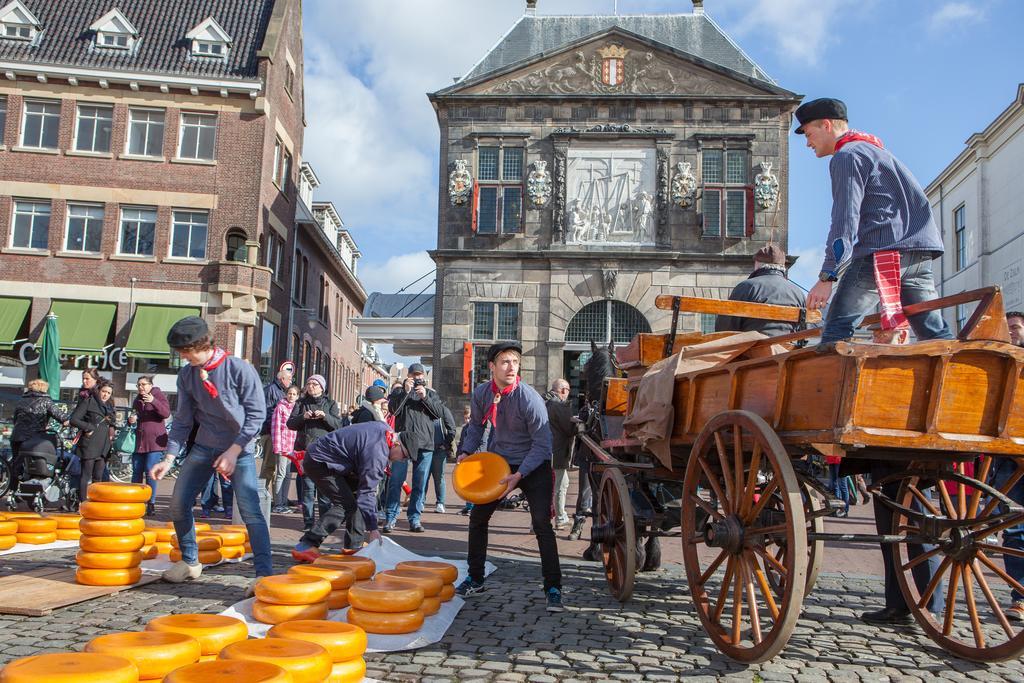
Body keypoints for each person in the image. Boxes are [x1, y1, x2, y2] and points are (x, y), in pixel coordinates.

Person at [797, 98, 954, 351]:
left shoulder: (847, 156)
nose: (807, 142)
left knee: (837, 328)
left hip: (883, 252)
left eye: (808, 133)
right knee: (934, 332)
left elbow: (845, 221)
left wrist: (828, 275)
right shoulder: (879, 152)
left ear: (826, 125)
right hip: (920, 253)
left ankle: (826, 389)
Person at [150, 316, 271, 589]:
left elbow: (256, 416)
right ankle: (191, 562)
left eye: (184, 351)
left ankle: (264, 574)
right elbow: (182, 421)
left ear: (198, 345)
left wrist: (234, 450)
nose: (181, 356)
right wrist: (168, 458)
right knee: (179, 503)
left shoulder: (238, 369)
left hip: (240, 449)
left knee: (251, 510)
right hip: (205, 445)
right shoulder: (187, 375)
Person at [455, 341, 564, 611]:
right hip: (499, 462)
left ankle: (553, 586)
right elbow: (476, 428)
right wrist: (466, 452)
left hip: (533, 463)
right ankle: (476, 578)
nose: (511, 367)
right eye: (505, 362)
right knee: (478, 518)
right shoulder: (481, 393)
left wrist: (520, 475)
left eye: (515, 362)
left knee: (541, 524)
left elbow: (543, 445)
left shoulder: (529, 399)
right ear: (492, 367)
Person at [291, 422, 410, 561]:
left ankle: (354, 545)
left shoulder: (385, 431)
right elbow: (367, 493)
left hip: (332, 460)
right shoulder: (377, 454)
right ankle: (307, 544)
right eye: (404, 456)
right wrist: (373, 529)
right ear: (396, 444)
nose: (401, 460)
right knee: (345, 505)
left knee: (356, 498)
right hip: (320, 462)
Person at [383, 363, 453, 533]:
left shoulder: (430, 395)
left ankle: (414, 518)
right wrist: (405, 393)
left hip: (425, 444)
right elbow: (394, 411)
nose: (417, 378)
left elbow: (438, 415)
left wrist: (425, 398)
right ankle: (390, 517)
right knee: (396, 481)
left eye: (419, 375)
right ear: (408, 376)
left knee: (420, 483)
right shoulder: (399, 393)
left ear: (424, 378)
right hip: (403, 443)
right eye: (414, 375)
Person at [287, 375, 344, 531]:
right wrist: (302, 417)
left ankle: (323, 524)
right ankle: (308, 523)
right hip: (305, 452)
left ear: (321, 387)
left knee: (325, 491)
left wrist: (325, 417)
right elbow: (290, 424)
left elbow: (338, 425)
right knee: (307, 490)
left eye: (314, 384)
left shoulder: (331, 404)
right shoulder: (301, 403)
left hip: (325, 453)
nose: (310, 386)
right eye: (309, 383)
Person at [714, 244, 808, 335]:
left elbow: (724, 328)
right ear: (783, 267)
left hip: (752, 348)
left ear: (757, 264)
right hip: (788, 349)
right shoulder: (798, 293)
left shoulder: (746, 287)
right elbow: (803, 330)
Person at [11, 379, 67, 482]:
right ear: (43, 388)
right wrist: (68, 422)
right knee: (35, 465)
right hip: (34, 439)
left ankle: (13, 490)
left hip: (17, 436)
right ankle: (33, 487)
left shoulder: (21, 400)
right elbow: (61, 416)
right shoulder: (46, 401)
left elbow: (15, 420)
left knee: (16, 464)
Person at [70, 380, 116, 504]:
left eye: (108, 393)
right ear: (98, 391)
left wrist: (113, 430)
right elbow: (74, 419)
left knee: (98, 477)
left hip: (104, 445)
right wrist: (88, 427)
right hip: (89, 444)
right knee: (86, 475)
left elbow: (112, 423)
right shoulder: (89, 402)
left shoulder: (109, 407)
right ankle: (83, 503)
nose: (105, 395)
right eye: (103, 391)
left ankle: (97, 503)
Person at [132, 376, 170, 516]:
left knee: (150, 471)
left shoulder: (158, 395)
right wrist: (133, 418)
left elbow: (166, 413)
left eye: (143, 384)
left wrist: (153, 401)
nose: (141, 387)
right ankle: (135, 501)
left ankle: (151, 503)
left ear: (150, 385)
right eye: (138, 384)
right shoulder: (137, 399)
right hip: (140, 442)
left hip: (154, 442)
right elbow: (136, 414)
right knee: (136, 471)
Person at [260, 361, 295, 507]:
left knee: (277, 469)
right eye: (289, 379)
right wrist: (273, 430)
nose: (291, 381)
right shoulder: (271, 390)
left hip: (278, 435)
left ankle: (277, 498)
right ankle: (260, 495)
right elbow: (265, 412)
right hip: (270, 433)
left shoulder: (280, 391)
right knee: (268, 466)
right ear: (282, 379)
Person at [545, 379, 574, 530]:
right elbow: (568, 428)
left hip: (545, 451)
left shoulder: (544, 401)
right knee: (557, 486)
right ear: (563, 390)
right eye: (568, 390)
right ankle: (558, 518)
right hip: (556, 452)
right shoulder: (558, 404)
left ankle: (560, 515)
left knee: (560, 484)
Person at [270, 385, 300, 513]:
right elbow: (275, 428)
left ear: (297, 396)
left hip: (291, 447)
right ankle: (278, 504)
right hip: (282, 445)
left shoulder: (296, 408)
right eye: (289, 393)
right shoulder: (280, 407)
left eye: (294, 394)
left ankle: (283, 502)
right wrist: (277, 446)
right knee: (281, 474)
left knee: (288, 474)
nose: (291, 396)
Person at [428, 404, 455, 513]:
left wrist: (445, 444)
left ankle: (440, 503)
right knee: (422, 477)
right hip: (425, 449)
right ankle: (420, 502)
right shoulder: (421, 409)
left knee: (439, 477)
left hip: (439, 449)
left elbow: (452, 429)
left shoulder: (443, 410)